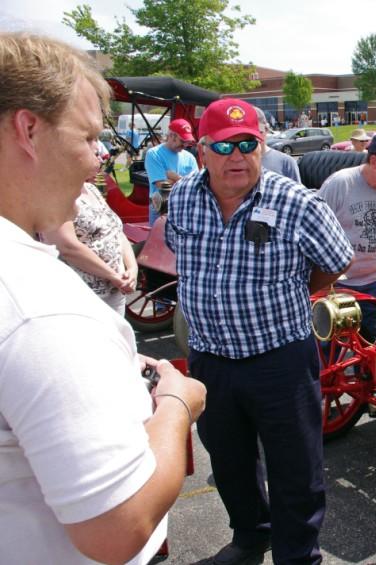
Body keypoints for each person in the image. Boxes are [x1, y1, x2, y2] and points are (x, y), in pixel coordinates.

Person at [0, 32, 206, 565]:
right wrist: (178, 403)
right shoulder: (40, 309)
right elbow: (117, 528)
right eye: (89, 137)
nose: (98, 160)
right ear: (28, 129)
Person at [166, 97, 353, 565]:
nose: (238, 156)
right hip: (209, 358)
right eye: (225, 146)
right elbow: (177, 254)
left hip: (280, 361)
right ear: (203, 150)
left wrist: (287, 294)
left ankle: (297, 556)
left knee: (295, 470)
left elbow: (334, 263)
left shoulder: (296, 202)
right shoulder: (185, 197)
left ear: (262, 146)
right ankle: (251, 536)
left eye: (248, 144)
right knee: (228, 462)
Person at [318, 132, 376, 342]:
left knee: (375, 346)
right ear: (373, 160)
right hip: (337, 285)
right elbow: (314, 229)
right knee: (330, 348)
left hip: (375, 281)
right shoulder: (340, 184)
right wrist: (321, 279)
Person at [41, 180, 138, 315]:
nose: (99, 160)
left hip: (114, 290)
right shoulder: (54, 194)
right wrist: (112, 275)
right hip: (81, 296)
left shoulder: (91, 189)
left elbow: (115, 230)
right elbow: (67, 246)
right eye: (94, 156)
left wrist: (132, 268)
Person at [144, 118, 198, 224]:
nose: (185, 145)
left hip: (184, 208)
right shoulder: (154, 154)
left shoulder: (190, 157)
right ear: (172, 136)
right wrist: (185, 181)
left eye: (187, 142)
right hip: (161, 207)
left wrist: (175, 177)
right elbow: (162, 186)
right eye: (182, 141)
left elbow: (195, 186)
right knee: (158, 240)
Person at [253, 105, 301, 183]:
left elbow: (297, 193)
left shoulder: (286, 163)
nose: (255, 138)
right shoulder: (237, 164)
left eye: (259, 132)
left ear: (266, 129)